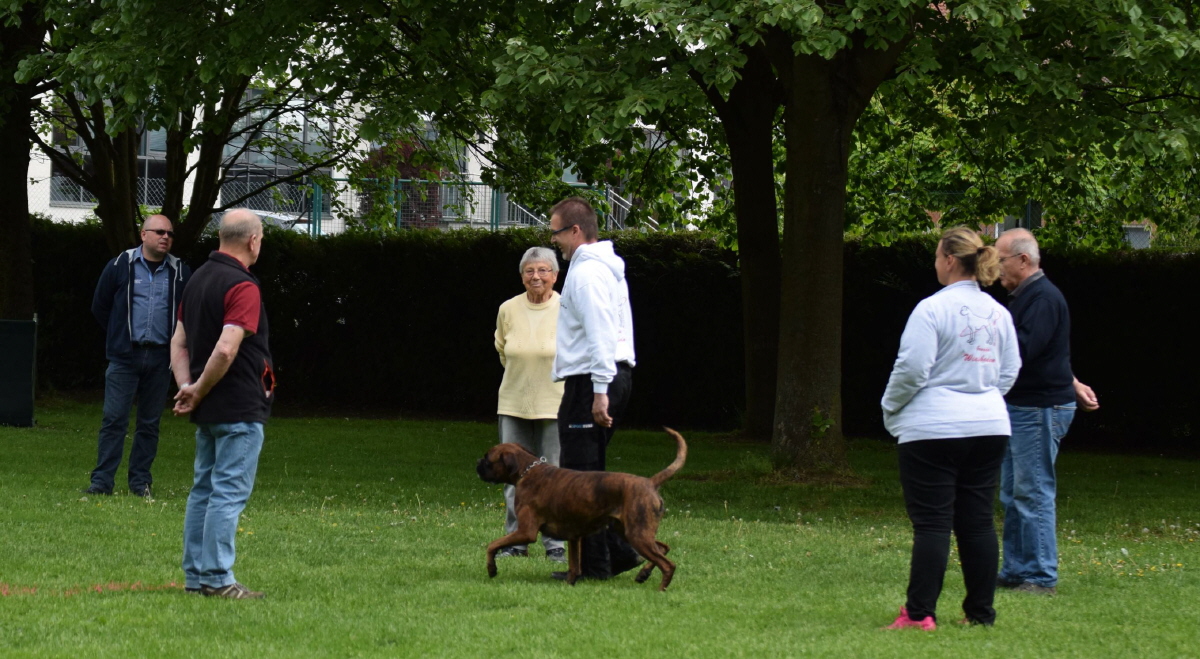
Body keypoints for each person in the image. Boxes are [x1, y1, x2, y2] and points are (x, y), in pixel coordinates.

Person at [881, 227, 1021, 629]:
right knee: (977, 521)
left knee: (933, 523)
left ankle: (920, 613)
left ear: (948, 260)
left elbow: (912, 369)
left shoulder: (931, 309)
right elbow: (1010, 369)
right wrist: (982, 396)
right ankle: (980, 614)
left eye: (936, 256)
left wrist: (891, 407)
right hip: (989, 425)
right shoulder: (999, 313)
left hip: (933, 428)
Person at [170, 209, 275, 599]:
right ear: (253, 241)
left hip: (210, 408)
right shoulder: (242, 286)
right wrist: (197, 390)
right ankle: (217, 578)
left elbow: (178, 343)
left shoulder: (197, 280)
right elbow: (227, 348)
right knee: (228, 492)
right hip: (238, 405)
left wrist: (187, 387)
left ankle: (195, 576)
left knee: (204, 490)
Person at [994, 228, 1099, 596]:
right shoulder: (1026, 296)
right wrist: (1073, 381)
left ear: (1023, 260)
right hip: (1023, 406)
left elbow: (1024, 352)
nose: (996, 268)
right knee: (1013, 493)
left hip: (1038, 408)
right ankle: (1016, 570)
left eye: (1001, 260)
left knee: (1033, 492)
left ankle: (1040, 576)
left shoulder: (1042, 298)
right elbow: (1052, 353)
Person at [547, 196, 641, 581]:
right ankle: (615, 556)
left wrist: (600, 390)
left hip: (593, 380)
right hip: (605, 377)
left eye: (556, 233)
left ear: (575, 230)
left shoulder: (587, 273)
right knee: (591, 477)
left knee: (579, 481)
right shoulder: (606, 268)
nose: (553, 241)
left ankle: (594, 567)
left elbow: (600, 332)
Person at [85, 214, 191, 497]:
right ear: (143, 235)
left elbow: (188, 313)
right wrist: (119, 334)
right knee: (113, 420)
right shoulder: (120, 265)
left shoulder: (180, 272)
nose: (165, 237)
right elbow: (100, 306)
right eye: (159, 232)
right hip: (125, 356)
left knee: (149, 424)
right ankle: (102, 482)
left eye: (170, 233)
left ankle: (140, 483)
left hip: (161, 358)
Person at [492, 246, 567, 562]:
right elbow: (502, 350)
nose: (536, 276)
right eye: (529, 271)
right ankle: (516, 541)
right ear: (522, 276)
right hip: (513, 403)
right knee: (513, 476)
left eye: (543, 270)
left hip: (555, 404)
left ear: (555, 275)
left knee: (554, 477)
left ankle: (555, 543)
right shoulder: (508, 308)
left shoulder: (567, 307)